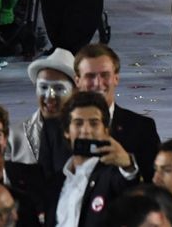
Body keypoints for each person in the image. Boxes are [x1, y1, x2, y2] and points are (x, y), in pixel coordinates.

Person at [39, 45, 161, 183]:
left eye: (105, 75)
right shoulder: (54, 128)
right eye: (90, 76)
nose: (97, 83)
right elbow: (44, 184)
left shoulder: (141, 128)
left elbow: (155, 186)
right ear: (77, 81)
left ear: (116, 78)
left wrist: (128, 165)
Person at [45, 91, 141, 227]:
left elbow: (130, 188)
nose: (86, 130)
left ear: (106, 130)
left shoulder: (112, 176)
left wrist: (128, 166)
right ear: (67, 131)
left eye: (94, 123)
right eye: (78, 123)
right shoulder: (56, 182)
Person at [10, 48, 74, 164]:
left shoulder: (88, 133)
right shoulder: (15, 135)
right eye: (43, 87)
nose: (49, 96)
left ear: (75, 92)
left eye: (59, 88)